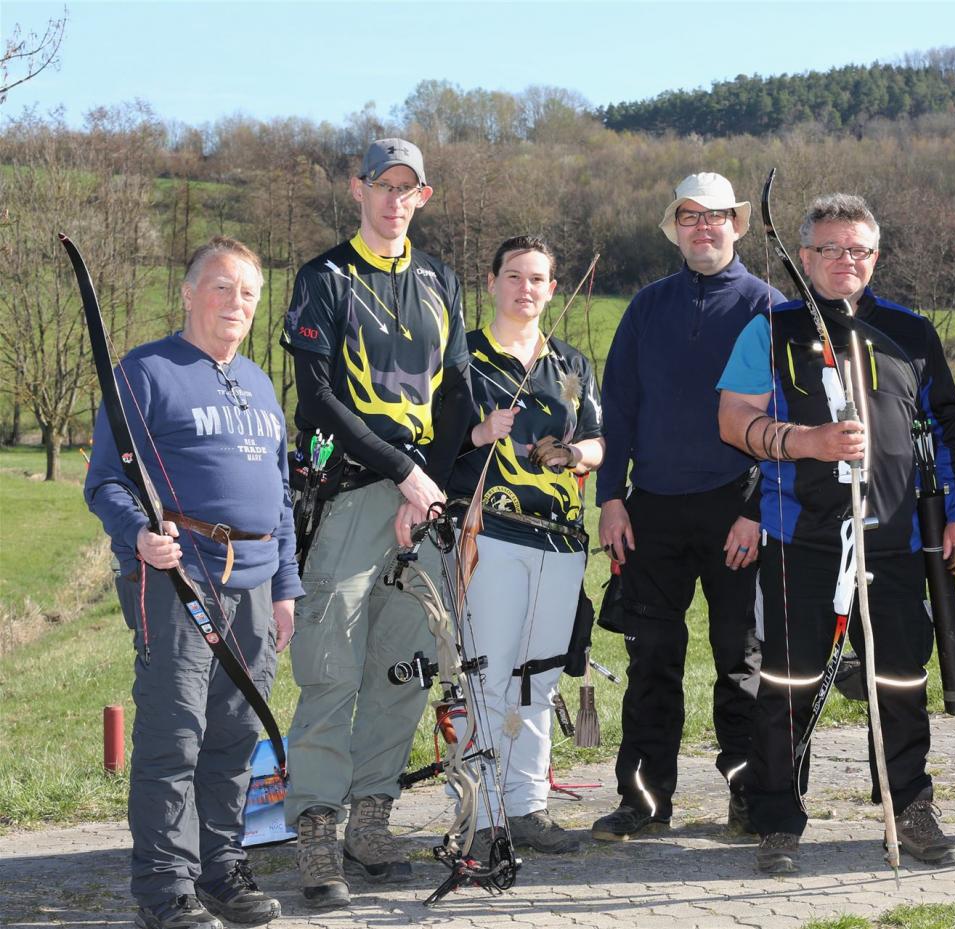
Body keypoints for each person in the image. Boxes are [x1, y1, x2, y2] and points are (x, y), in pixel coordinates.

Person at [716, 193, 955, 874]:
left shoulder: (910, 332)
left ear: (875, 257)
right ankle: (777, 819)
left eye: (857, 249)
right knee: (788, 682)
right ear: (804, 257)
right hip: (800, 539)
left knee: (899, 680)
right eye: (829, 248)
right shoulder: (769, 329)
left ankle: (908, 806)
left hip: (893, 539)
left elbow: (947, 426)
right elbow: (732, 420)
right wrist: (807, 441)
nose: (845, 260)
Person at [86, 237, 299, 929]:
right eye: (222, 286)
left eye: (248, 292)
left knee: (235, 736)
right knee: (174, 734)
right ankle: (164, 887)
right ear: (187, 293)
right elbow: (106, 480)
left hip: (256, 586)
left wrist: (286, 587)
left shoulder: (261, 383)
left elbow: (282, 496)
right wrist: (138, 536)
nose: (236, 302)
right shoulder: (145, 372)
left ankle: (220, 869)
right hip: (178, 579)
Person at [281, 138, 467, 907]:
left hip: (420, 507)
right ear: (357, 189)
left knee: (403, 668)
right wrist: (402, 474)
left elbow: (456, 394)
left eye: (406, 187)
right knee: (331, 668)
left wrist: (432, 490)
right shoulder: (324, 278)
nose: (394, 200)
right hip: (350, 494)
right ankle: (317, 831)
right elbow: (318, 399)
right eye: (381, 185)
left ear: (423, 196)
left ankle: (370, 821)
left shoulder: (440, 280)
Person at [591, 172, 784, 841]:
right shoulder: (647, 307)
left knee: (740, 659)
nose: (703, 228)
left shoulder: (768, 306)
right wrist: (611, 497)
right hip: (652, 509)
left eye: (715, 216)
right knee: (651, 661)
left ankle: (747, 794)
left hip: (736, 507)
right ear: (674, 229)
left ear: (736, 224)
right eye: (689, 217)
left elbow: (783, 420)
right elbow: (618, 408)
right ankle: (644, 800)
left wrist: (757, 509)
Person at [425, 235, 604, 855]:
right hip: (492, 532)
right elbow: (430, 444)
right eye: (514, 276)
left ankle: (527, 806)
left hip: (562, 539)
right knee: (487, 674)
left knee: (540, 677)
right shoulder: (463, 358)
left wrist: (573, 453)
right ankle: (480, 814)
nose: (525, 289)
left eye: (537, 279)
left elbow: (599, 440)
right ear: (493, 282)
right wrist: (480, 432)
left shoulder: (571, 364)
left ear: (553, 289)